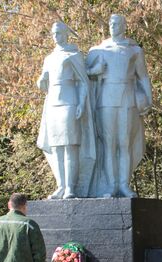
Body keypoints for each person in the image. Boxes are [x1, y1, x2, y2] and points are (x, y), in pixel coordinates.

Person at [87, 14, 152, 198]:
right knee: (108, 144)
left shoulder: (134, 50)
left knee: (124, 143)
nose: (112, 26)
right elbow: (84, 77)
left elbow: (143, 76)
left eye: (116, 23)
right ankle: (110, 186)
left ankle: (124, 184)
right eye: (110, 23)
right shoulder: (98, 50)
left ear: (124, 26)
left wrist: (149, 97)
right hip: (106, 99)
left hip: (127, 99)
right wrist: (94, 71)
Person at [37, 21, 96, 199]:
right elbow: (44, 84)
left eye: (59, 33)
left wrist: (80, 103)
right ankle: (61, 185)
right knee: (56, 148)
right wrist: (41, 80)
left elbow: (83, 82)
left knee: (70, 147)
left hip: (69, 103)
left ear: (65, 34)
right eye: (54, 33)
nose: (56, 36)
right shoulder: (49, 58)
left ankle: (71, 187)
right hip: (52, 104)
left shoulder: (73, 54)